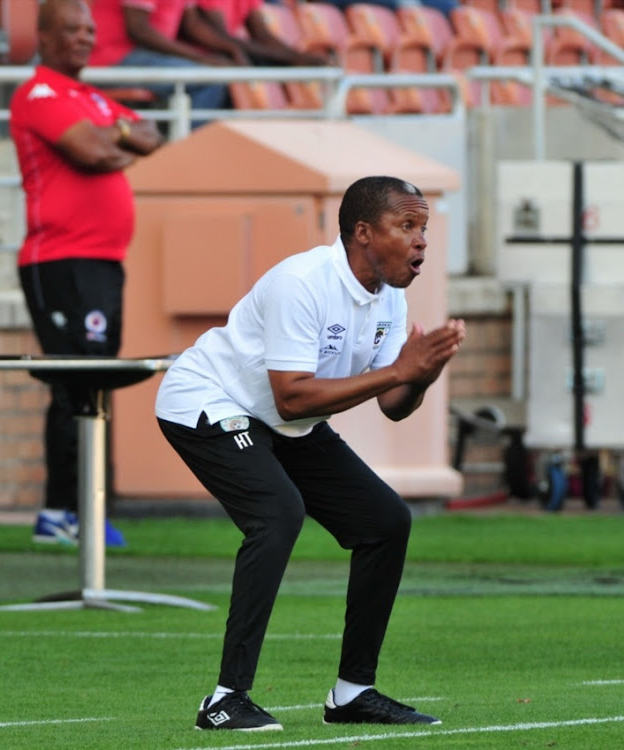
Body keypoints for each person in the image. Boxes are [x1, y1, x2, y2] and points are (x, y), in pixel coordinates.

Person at [155, 175, 466, 731]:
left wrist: (421, 372)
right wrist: (399, 369)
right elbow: (292, 395)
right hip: (209, 400)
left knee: (386, 521)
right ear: (364, 233)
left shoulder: (390, 299)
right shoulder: (301, 282)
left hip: (281, 418)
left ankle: (352, 694)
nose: (421, 241)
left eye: (423, 229)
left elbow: (394, 404)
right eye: (407, 226)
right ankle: (225, 699)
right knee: (276, 512)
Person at [9, 0, 164, 546]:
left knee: (94, 379)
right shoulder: (40, 94)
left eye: (89, 29)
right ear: (45, 36)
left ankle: (76, 509)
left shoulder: (93, 98)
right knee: (77, 379)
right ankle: (64, 512)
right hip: (60, 262)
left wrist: (114, 135)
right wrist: (117, 137)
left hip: (102, 261)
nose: (83, 37)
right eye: (71, 29)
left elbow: (152, 134)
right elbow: (93, 151)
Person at [88, 0, 237, 113]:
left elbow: (193, 25)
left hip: (140, 56)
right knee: (210, 80)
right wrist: (201, 58)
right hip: (112, 57)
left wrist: (232, 50)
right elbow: (138, 29)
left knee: (223, 76)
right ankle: (189, 149)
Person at [184, 0, 330, 67]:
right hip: (199, 57)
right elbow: (222, 40)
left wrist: (297, 57)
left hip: (228, 53)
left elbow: (262, 34)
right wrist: (293, 58)